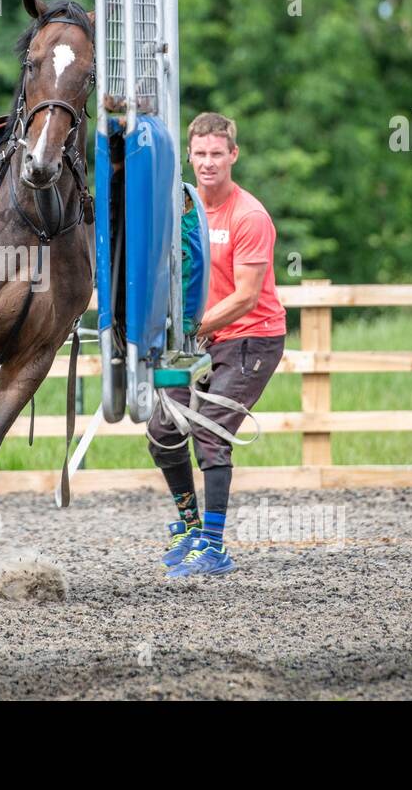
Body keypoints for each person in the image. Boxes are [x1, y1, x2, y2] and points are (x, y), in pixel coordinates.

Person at [148, 112, 286, 578]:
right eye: (200, 154)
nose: (208, 163)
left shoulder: (249, 215)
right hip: (199, 339)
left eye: (217, 154)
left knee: (209, 432)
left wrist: (195, 326)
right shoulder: (181, 208)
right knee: (163, 432)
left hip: (251, 339)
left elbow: (247, 296)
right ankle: (189, 527)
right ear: (189, 155)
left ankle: (214, 547)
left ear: (233, 155)